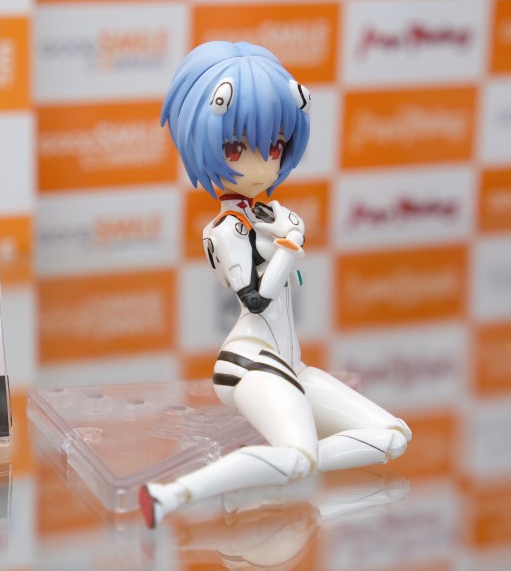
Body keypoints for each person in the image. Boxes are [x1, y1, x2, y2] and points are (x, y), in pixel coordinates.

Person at [139, 41, 411, 529]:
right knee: (297, 455)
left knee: (392, 436)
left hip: (292, 363)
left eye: (275, 145)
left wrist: (285, 234)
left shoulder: (271, 215)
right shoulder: (226, 229)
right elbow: (256, 299)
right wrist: (289, 246)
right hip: (249, 360)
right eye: (236, 148)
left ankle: (280, 479)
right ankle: (171, 495)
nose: (262, 163)